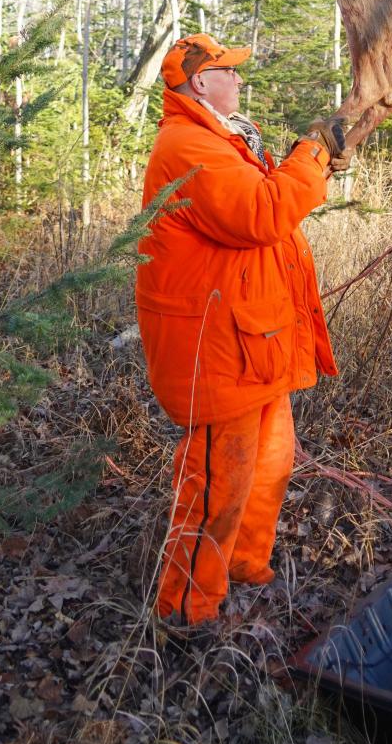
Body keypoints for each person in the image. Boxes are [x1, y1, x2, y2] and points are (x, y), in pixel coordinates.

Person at [136, 32, 348, 628]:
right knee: (216, 484)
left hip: (253, 338)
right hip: (216, 346)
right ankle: (186, 612)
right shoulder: (188, 146)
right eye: (229, 71)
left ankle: (244, 568)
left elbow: (263, 201)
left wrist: (317, 157)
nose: (238, 79)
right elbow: (260, 214)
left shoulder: (221, 138)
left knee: (271, 464)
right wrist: (309, 154)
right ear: (200, 82)